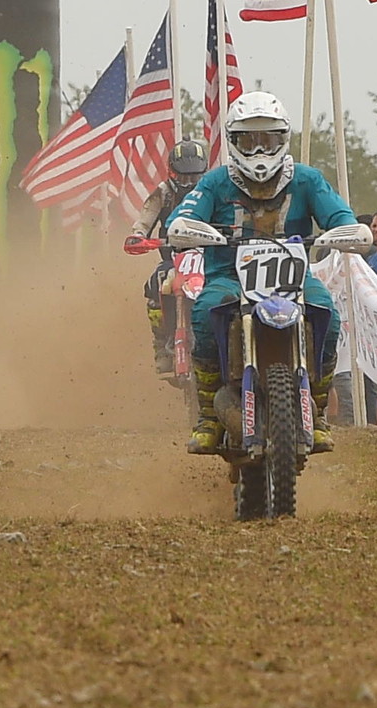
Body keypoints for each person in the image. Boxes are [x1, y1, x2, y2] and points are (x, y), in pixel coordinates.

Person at [166, 92, 359, 456]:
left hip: (294, 281)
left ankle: (316, 414)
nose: (257, 151)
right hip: (229, 276)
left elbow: (340, 215)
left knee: (326, 314)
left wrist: (346, 231)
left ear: (282, 139)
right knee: (207, 312)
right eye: (248, 141)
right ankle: (208, 414)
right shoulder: (215, 182)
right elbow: (184, 217)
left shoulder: (306, 180)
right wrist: (186, 229)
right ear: (234, 141)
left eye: (266, 140)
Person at [122, 140, 210, 375]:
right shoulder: (164, 192)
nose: (189, 183)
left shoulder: (214, 191)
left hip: (210, 258)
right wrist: (138, 235)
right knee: (157, 282)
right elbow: (145, 219)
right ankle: (161, 344)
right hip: (174, 258)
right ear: (171, 172)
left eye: (194, 178)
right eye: (183, 177)